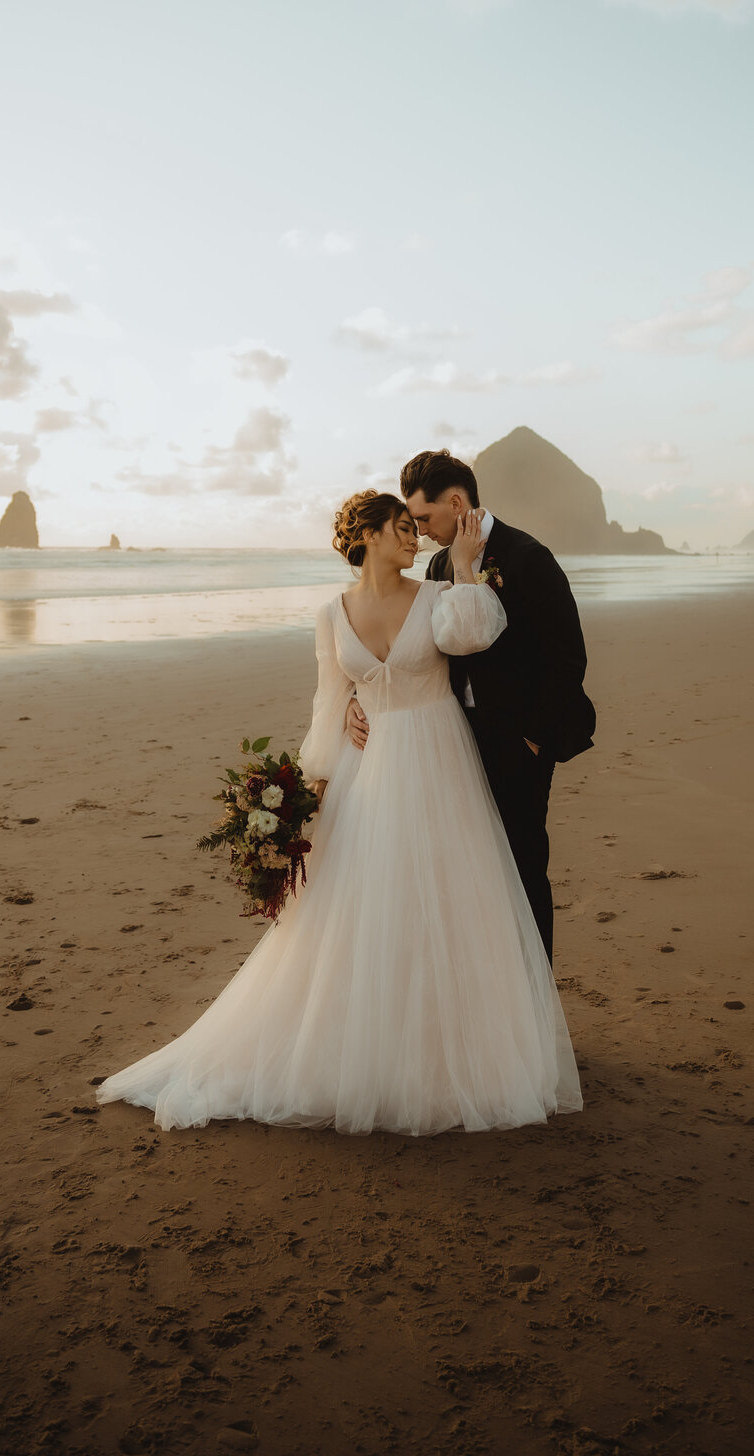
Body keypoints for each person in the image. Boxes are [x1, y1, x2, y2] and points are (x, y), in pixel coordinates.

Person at [94, 490, 581, 1137]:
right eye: (403, 528)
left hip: (438, 761)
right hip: (367, 768)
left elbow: (475, 634)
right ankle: (365, 1054)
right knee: (364, 910)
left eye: (417, 527)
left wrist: (464, 567)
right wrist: (307, 797)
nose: (415, 538)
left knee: (445, 900)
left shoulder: (436, 593)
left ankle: (452, 1054)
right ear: (370, 535)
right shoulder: (330, 614)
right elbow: (328, 707)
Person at [347, 449, 594, 963]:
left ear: (456, 502)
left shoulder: (527, 556)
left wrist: (534, 738)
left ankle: (534, 1004)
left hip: (518, 742)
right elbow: (414, 648)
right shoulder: (440, 564)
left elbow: (566, 655)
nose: (420, 532)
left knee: (523, 865)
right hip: (454, 739)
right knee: (472, 872)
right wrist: (357, 696)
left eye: (424, 518)